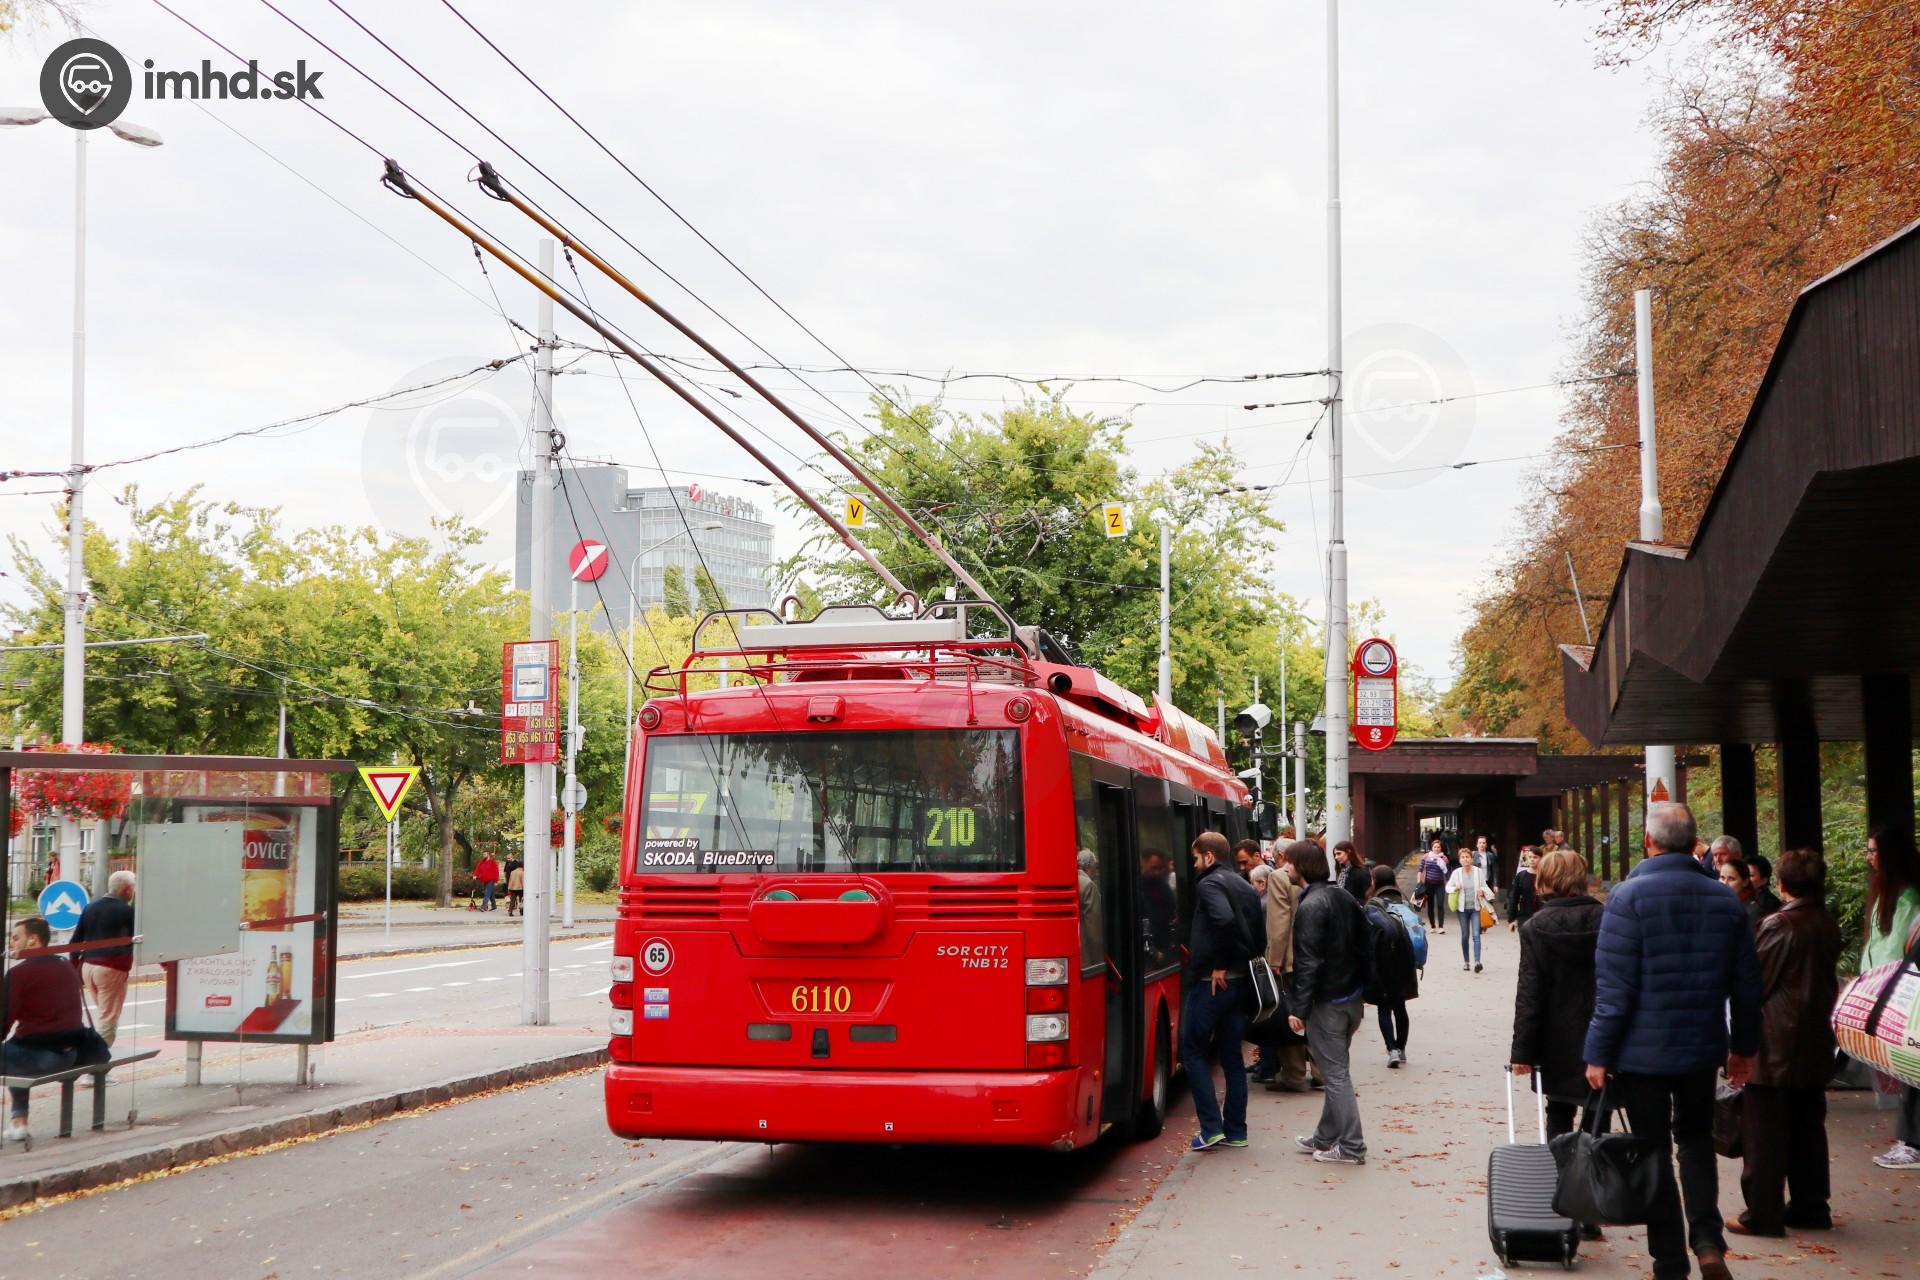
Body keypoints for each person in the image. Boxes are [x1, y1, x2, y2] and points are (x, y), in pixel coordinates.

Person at [1584, 802, 1760, 1280]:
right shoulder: (1725, 900)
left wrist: (1598, 1052)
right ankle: (1707, 1241)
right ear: (1693, 841)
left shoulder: (1628, 898)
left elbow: (1613, 990)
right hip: (1702, 1046)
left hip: (1643, 1053)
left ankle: (1668, 1259)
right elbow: (1746, 985)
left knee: (1654, 1147)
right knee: (1697, 1141)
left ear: (1648, 840)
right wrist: (1743, 1048)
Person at [1730, 848, 1841, 1237]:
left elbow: (1755, 983)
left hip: (1776, 1040)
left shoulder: (1780, 925)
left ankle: (1762, 1211)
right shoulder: (1825, 922)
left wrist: (1737, 1037)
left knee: (1764, 1131)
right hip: (1813, 1037)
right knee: (1809, 1126)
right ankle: (1812, 1205)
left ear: (1781, 882)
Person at [1509, 849, 1609, 1240]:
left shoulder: (1537, 927)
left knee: (1559, 1112)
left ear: (1546, 880)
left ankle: (1564, 1195)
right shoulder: (1606, 920)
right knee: (1596, 1116)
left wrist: (1522, 1052)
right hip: (1601, 1033)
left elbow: (1530, 993)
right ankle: (1592, 1204)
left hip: (1555, 1037)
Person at [1284, 839, 1371, 1165]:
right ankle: (1325, 1137)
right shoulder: (1342, 896)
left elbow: (1308, 963)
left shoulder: (1311, 906)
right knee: (1338, 1070)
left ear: (1302, 866)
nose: (1286, 868)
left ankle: (1351, 1147)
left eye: (1289, 863)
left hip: (1328, 1003)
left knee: (1336, 1075)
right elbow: (1364, 945)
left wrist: (1298, 1010)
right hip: (1351, 998)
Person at [1181, 832, 1265, 1152]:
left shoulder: (1209, 884)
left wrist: (1219, 963)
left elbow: (1224, 921)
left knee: (1194, 1051)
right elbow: (1257, 930)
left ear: (1209, 857)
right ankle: (1236, 1130)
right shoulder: (1244, 884)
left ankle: (1211, 1128)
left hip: (1213, 983)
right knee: (1231, 1057)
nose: (1194, 864)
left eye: (1196, 858)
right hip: (1243, 980)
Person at [2, 918, 103, 1142]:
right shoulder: (65, 965)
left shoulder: (19, 974)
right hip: (72, 1054)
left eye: (16, 937)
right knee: (14, 1052)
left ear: (33, 940)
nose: (12, 942)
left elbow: (3, 1022)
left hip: (41, 1056)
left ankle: (20, 1121)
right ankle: (19, 1122)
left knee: (13, 1054)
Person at [1863, 825, 1920, 1171]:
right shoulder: (1892, 892)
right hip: (1893, 987)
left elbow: (1895, 949)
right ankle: (1909, 1141)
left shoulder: (1907, 897)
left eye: (1873, 850)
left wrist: (1876, 989)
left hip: (1900, 991)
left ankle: (1912, 1143)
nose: (1869, 857)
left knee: (1911, 1072)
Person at [68, 870, 135, 1045]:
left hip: (88, 967)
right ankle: (99, 1064)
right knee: (108, 1018)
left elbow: (74, 941)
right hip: (112, 968)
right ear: (127, 890)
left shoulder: (90, 907)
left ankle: (96, 1059)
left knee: (103, 1013)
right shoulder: (128, 912)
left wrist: (75, 970)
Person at [1364, 864, 1418, 1068]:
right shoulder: (1403, 900)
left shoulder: (1373, 904)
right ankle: (1402, 1048)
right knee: (1400, 1007)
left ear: (1375, 881)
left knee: (1384, 1008)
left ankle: (1392, 1048)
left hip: (1381, 961)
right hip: (1405, 961)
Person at [1446, 848, 1494, 973]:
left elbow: (1485, 886)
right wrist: (1455, 888)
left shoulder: (1478, 872)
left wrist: (1482, 891)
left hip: (1475, 908)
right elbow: (1448, 887)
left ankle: (1477, 961)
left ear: (1471, 859)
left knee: (1476, 935)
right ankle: (1466, 961)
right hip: (1462, 909)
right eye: (1463, 857)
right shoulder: (1456, 873)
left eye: (1467, 857)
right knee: (1465, 935)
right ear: (1460, 860)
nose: (1465, 859)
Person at [1718, 857, 1763, 932]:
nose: (1725, 883)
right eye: (1722, 878)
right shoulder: (1720, 904)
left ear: (1745, 882)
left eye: (1731, 879)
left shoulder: (1752, 911)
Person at [1417, 838, 1449, 933]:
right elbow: (1420, 869)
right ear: (1432, 848)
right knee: (1430, 905)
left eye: (1438, 847)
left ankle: (1441, 927)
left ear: (1441, 848)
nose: (1437, 849)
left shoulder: (1444, 859)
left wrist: (1449, 883)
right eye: (1435, 847)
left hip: (1440, 885)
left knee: (1440, 904)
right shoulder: (1426, 856)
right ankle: (1433, 926)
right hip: (1428, 884)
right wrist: (1419, 881)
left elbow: (1447, 872)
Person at [1506, 847, 1539, 932]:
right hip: (1524, 916)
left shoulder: (1546, 876)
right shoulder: (1521, 876)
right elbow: (1514, 898)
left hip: (1542, 916)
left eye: (1535, 857)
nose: (1532, 860)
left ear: (1541, 858)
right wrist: (1512, 919)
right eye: (1530, 857)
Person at [1747, 855, 1782, 921]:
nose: (1745, 878)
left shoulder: (1770, 903)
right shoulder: (1739, 897)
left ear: (1764, 880)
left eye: (1751, 875)